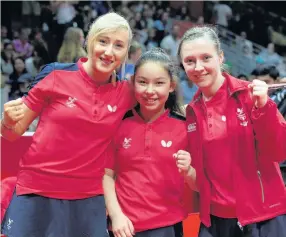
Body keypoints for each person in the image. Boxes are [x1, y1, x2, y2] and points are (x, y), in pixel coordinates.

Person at [1, 12, 135, 237]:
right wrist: (5, 121)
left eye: (118, 45)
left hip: (88, 197)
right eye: (103, 41)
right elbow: (12, 134)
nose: (109, 51)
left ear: (125, 53)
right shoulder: (55, 74)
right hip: (36, 190)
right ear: (88, 42)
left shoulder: (126, 93)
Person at [177, 26, 286, 237]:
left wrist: (265, 108)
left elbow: (280, 151)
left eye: (206, 58)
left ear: (220, 57)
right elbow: (203, 181)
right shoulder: (191, 112)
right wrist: (188, 172)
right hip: (215, 221)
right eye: (190, 61)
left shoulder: (249, 96)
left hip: (261, 219)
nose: (198, 67)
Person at [103, 48, 197, 237]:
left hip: (167, 227)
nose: (150, 91)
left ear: (171, 86)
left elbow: (198, 186)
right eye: (143, 82)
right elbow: (106, 175)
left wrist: (188, 171)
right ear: (133, 83)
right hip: (123, 227)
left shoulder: (185, 127)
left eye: (159, 83)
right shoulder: (118, 124)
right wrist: (116, 216)